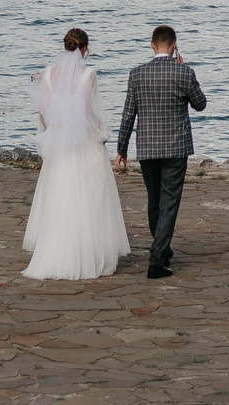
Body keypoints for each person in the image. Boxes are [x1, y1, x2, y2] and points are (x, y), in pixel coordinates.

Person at [21, 28, 131, 281]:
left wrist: (51, 133)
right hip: (83, 144)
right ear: (85, 49)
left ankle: (58, 253)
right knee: (88, 197)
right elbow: (87, 112)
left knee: (60, 196)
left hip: (59, 145)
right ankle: (86, 254)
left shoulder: (48, 74)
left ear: (65, 46)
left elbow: (43, 112)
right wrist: (101, 132)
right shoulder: (88, 75)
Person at [115, 24, 207, 279]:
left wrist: (121, 148)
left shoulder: (137, 74)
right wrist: (186, 73)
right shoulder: (184, 72)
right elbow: (200, 104)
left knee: (155, 200)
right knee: (169, 202)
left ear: (152, 45)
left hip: (147, 148)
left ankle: (162, 249)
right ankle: (157, 260)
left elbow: (128, 115)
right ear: (175, 45)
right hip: (176, 148)